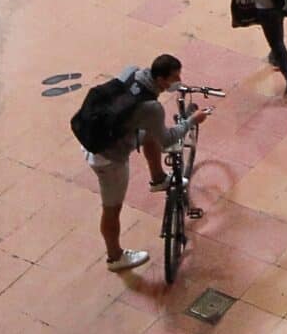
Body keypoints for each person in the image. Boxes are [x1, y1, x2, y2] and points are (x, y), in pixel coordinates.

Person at [84, 54, 208, 273]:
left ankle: (158, 178)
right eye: (174, 77)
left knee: (149, 133)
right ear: (161, 80)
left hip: (97, 134)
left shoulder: (132, 72)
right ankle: (115, 257)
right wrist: (191, 121)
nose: (178, 81)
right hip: (108, 158)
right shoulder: (151, 108)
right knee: (112, 209)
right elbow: (168, 139)